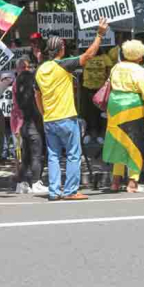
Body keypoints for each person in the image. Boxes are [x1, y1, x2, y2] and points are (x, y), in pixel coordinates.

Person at [34, 18, 109, 201]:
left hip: (49, 120)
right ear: (61, 49)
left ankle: (53, 191)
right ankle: (70, 191)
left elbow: (37, 96)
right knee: (73, 154)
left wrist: (44, 113)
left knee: (53, 155)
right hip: (66, 118)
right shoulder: (63, 65)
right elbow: (89, 55)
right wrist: (99, 34)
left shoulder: (40, 70)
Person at [104, 39, 144, 193]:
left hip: (114, 106)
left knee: (118, 142)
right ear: (139, 56)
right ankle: (132, 182)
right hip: (132, 107)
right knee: (134, 144)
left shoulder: (116, 67)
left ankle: (115, 182)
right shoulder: (140, 71)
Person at [14, 57, 48, 195]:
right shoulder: (32, 96)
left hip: (25, 125)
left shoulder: (18, 87)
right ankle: (36, 182)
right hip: (33, 125)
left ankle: (21, 183)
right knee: (36, 155)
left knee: (26, 156)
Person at [81, 47, 113, 144]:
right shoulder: (85, 57)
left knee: (101, 113)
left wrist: (106, 86)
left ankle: (100, 134)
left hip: (101, 90)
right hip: (88, 88)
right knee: (89, 112)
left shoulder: (105, 57)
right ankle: (89, 133)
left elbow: (109, 71)